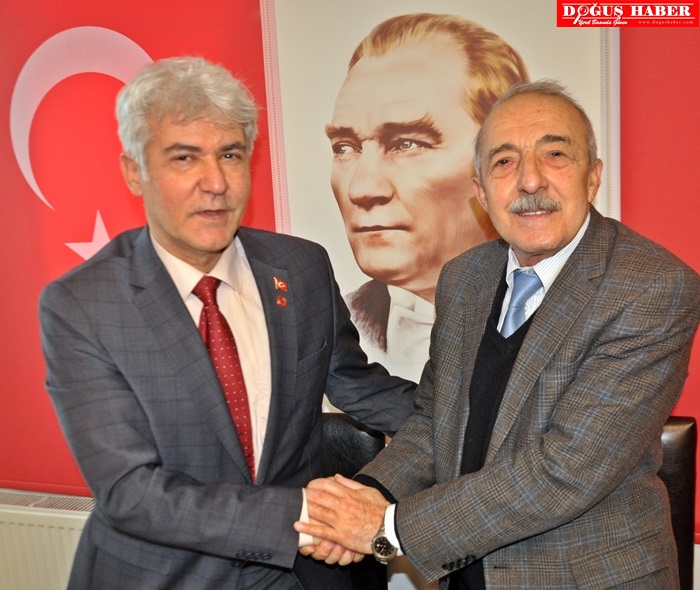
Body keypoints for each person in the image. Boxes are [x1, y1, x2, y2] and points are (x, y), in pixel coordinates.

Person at [296, 80, 700, 589]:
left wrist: (385, 528)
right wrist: (370, 494)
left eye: (555, 154)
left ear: (593, 177)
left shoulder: (651, 286)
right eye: (504, 162)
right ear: (482, 192)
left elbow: (566, 470)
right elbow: (434, 420)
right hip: (466, 573)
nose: (530, 181)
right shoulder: (465, 277)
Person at [38, 56, 414, 590]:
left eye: (230, 154)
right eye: (184, 157)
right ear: (134, 171)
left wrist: (484, 419)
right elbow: (130, 492)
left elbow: (360, 387)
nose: (215, 182)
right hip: (164, 577)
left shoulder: (301, 268)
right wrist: (309, 516)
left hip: (299, 579)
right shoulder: (83, 304)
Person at [327, 13, 529, 379]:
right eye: (345, 147)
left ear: (501, 162)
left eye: (406, 143)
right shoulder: (333, 325)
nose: (361, 189)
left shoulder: (578, 316)